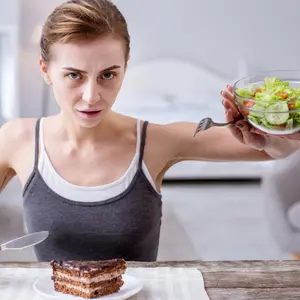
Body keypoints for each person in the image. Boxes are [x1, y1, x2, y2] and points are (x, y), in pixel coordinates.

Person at [0, 0, 299, 262]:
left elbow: (276, 149)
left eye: (108, 75)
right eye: (74, 75)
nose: (91, 96)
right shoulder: (17, 140)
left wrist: (270, 137)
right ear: (45, 70)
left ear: (125, 68)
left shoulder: (155, 141)